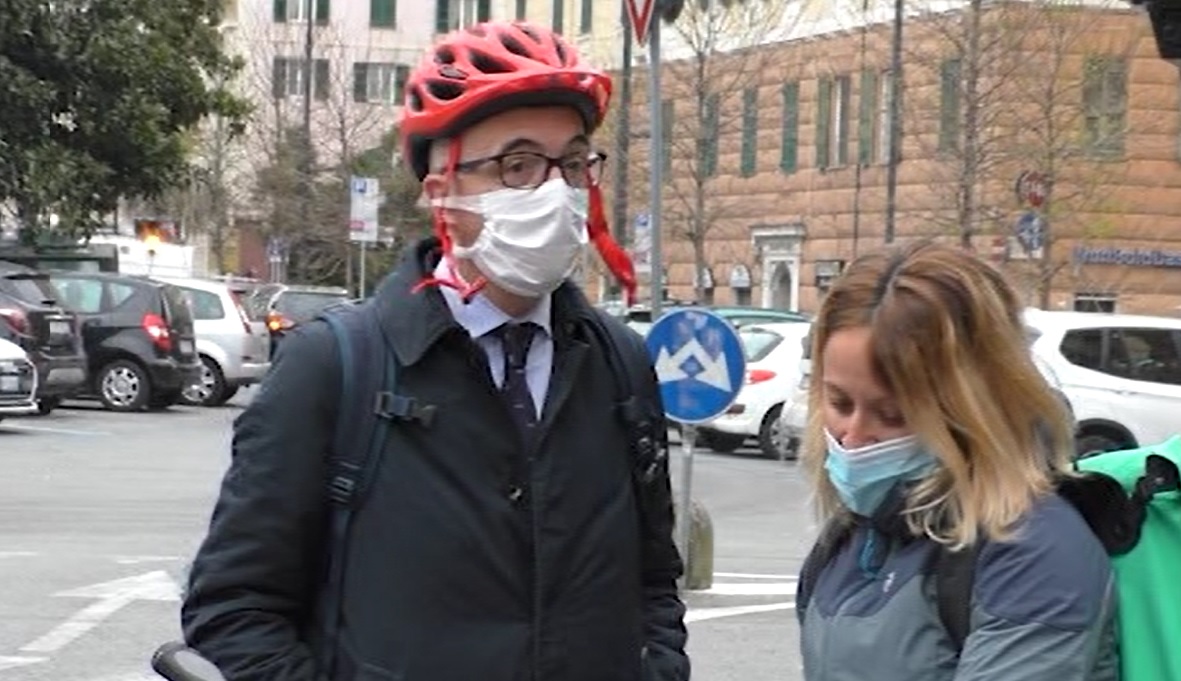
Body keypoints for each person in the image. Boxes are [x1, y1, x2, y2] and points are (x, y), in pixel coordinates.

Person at [180, 20, 689, 681]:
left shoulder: (619, 362)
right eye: (515, 164)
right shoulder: (335, 368)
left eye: (572, 162)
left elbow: (652, 582)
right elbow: (234, 606)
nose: (555, 191)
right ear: (438, 191)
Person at [795, 240, 1118, 680]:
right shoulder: (858, 532)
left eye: (894, 414)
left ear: (974, 408)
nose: (854, 437)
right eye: (839, 402)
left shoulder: (1034, 552)